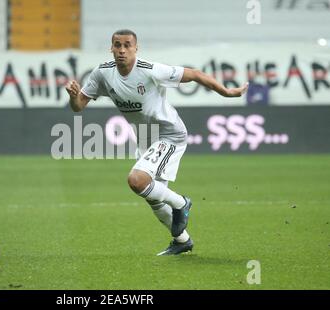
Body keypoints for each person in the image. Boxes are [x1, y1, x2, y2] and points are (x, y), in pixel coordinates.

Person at [65, 29, 248, 256]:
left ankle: (182, 203)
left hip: (170, 134)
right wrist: (74, 97)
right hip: (145, 137)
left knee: (136, 180)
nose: (122, 50)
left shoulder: (149, 70)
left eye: (127, 45)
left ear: (136, 48)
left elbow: (195, 74)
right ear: (110, 48)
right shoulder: (102, 73)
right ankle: (182, 241)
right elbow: (79, 105)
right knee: (153, 197)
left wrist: (226, 92)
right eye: (117, 45)